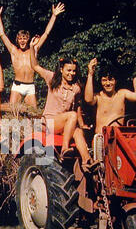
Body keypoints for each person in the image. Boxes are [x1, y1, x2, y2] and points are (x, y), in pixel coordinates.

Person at [29, 35, 94, 170]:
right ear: (61, 70)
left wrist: (82, 125)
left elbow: (77, 108)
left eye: (74, 71)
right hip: (49, 122)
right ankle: (65, 148)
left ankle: (87, 161)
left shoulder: (76, 88)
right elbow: (34, 66)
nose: (72, 73)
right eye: (68, 70)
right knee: (71, 116)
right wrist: (31, 48)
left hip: (65, 124)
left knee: (77, 132)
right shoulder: (52, 78)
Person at [0, 2, 65, 109]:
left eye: (25, 38)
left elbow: (46, 33)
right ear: (17, 40)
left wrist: (54, 16)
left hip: (30, 86)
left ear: (28, 40)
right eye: (20, 38)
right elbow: (2, 34)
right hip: (17, 86)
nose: (22, 41)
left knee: (33, 113)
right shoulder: (13, 50)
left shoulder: (33, 49)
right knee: (12, 111)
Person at [85, 58, 136, 134]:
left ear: (116, 81)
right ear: (101, 82)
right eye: (104, 80)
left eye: (111, 80)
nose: (108, 83)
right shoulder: (98, 97)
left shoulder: (122, 94)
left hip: (118, 138)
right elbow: (88, 100)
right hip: (101, 137)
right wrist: (90, 74)